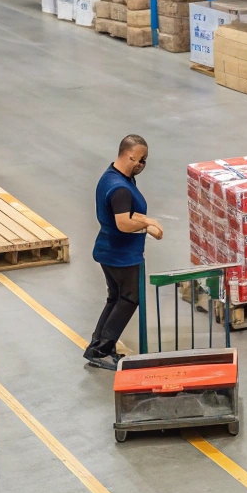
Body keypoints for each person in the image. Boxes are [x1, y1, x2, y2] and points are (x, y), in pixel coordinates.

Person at [85, 134, 163, 370]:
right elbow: (123, 223)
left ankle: (97, 347)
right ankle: (102, 349)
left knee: (115, 298)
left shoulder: (113, 175)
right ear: (128, 156)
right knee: (129, 298)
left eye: (145, 161)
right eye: (139, 160)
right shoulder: (120, 188)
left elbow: (126, 215)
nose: (141, 166)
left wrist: (140, 218)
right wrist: (147, 224)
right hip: (121, 255)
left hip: (109, 250)